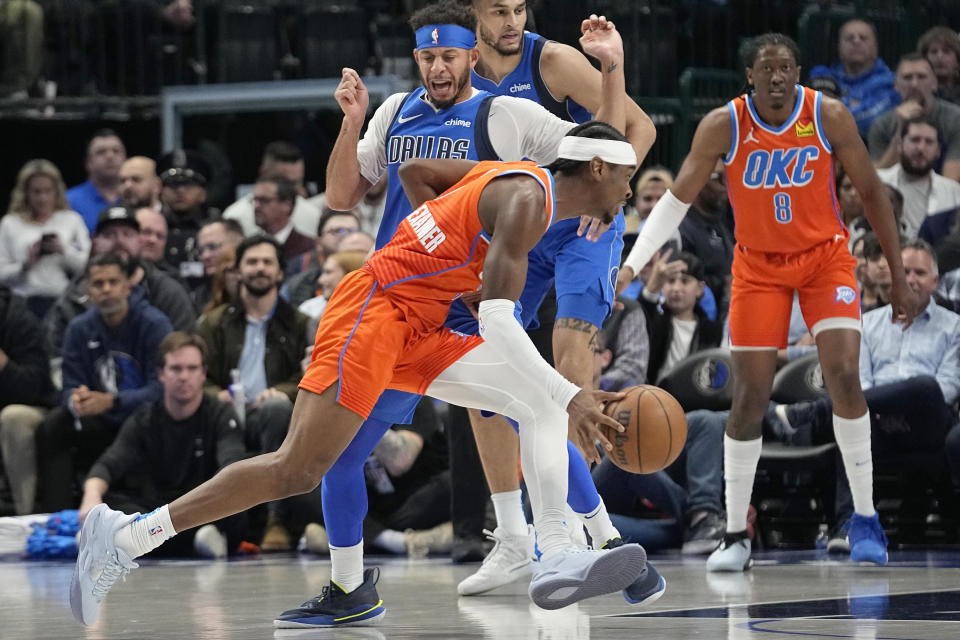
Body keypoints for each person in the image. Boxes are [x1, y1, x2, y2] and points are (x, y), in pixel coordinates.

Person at [70, 90, 648, 634]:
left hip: (423, 320)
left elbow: (417, 174)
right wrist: (573, 393)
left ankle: (557, 552)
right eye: (627, 176)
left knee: (536, 401)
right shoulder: (528, 200)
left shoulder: (520, 184)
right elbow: (499, 321)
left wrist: (446, 253)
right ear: (597, 168)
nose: (629, 189)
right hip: (374, 310)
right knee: (295, 468)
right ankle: (125, 537)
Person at [324, 0, 658, 596]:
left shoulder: (507, 112)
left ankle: (589, 543)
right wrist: (352, 123)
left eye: (448, 55)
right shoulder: (396, 112)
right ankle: (361, 588)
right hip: (398, 306)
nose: (437, 67)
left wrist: (609, 70)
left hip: (466, 301)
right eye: (426, 56)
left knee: (531, 406)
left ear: (470, 56)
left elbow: (597, 147)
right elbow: (344, 195)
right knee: (344, 454)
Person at [619, 33, 918, 571]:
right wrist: (633, 264)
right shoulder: (723, 124)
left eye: (786, 68)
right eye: (767, 69)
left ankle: (867, 518)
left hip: (825, 259)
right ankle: (735, 534)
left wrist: (897, 274)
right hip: (758, 266)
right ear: (750, 77)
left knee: (844, 375)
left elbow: (872, 192)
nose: (777, 77)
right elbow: (676, 199)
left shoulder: (827, 116)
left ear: (798, 72)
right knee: (750, 395)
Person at [775, 240, 960, 549]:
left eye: (920, 272)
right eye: (905, 271)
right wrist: (884, 407)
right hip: (877, 418)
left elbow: (947, 388)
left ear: (934, 281)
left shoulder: (954, 326)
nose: (911, 279)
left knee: (925, 386)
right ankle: (849, 526)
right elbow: (861, 382)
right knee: (853, 428)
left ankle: (816, 411)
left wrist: (899, 401)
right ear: (893, 277)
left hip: (929, 425)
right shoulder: (868, 323)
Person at [77, 332, 247, 559]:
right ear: (161, 374)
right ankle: (194, 543)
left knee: (239, 501)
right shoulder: (145, 418)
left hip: (204, 505)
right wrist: (91, 498)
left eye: (192, 368)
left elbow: (232, 466)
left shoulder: (220, 414)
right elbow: (109, 463)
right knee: (112, 505)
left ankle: (126, 541)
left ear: (203, 374)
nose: (184, 376)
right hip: (158, 512)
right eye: (176, 369)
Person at [195, 235, 314, 551]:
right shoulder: (213, 322)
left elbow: (311, 371)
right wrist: (215, 394)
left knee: (276, 410)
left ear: (279, 272)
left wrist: (281, 391)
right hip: (226, 410)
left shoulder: (300, 323)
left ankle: (276, 521)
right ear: (238, 270)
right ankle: (226, 527)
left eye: (267, 262)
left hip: (275, 413)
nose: (259, 268)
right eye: (251, 262)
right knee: (221, 422)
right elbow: (197, 373)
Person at [37, 252, 173, 512]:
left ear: (127, 286)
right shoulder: (79, 328)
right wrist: (75, 400)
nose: (106, 289)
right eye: (98, 284)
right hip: (98, 422)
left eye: (113, 282)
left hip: (143, 421)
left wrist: (112, 401)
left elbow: (163, 389)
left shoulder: (154, 324)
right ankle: (58, 516)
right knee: (54, 425)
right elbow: (67, 386)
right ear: (88, 289)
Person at [42, 206, 196, 357]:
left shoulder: (166, 292)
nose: (119, 241)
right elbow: (56, 357)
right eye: (109, 235)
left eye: (127, 234)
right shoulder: (74, 295)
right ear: (94, 242)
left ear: (139, 241)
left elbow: (184, 356)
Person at [0, 159, 90, 318]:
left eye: (48, 191)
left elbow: (89, 267)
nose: (43, 198)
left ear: (57, 191)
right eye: (36, 191)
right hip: (23, 304)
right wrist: (26, 264)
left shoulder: (72, 219)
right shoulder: (10, 223)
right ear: (25, 193)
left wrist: (64, 251)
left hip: (63, 301)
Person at [0, 283, 54, 516]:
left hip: (35, 407)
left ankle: (26, 515)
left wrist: (4, 365)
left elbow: (34, 387)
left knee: (13, 418)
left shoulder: (20, 322)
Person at [868, 53, 960, 182]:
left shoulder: (955, 118)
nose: (914, 84)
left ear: (934, 83)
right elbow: (878, 180)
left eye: (921, 77)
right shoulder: (881, 125)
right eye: (907, 78)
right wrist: (901, 129)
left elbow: (951, 182)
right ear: (896, 85)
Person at [639, 251, 722, 384]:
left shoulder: (713, 330)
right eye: (670, 281)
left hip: (697, 400)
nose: (676, 288)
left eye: (685, 281)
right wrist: (652, 287)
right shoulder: (655, 322)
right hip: (656, 395)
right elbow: (641, 317)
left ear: (700, 288)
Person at [808, 19, 899, 136]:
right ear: (839, 46)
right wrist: (856, 105)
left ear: (875, 46)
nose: (856, 41)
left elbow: (869, 123)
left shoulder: (889, 82)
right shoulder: (823, 76)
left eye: (863, 38)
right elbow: (810, 118)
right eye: (849, 38)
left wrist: (839, 103)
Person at [875, 116, 960, 241]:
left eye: (929, 142)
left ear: (938, 151)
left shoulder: (954, 191)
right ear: (899, 145)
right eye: (915, 140)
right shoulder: (878, 182)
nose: (921, 148)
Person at [222, 141, 321, 237]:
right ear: (264, 172)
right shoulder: (236, 217)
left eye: (296, 182)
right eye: (283, 181)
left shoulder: (313, 216)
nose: (289, 189)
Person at [157, 149, 219, 282]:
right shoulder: (152, 228)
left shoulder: (216, 227)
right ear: (161, 192)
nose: (180, 191)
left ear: (203, 193)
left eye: (188, 185)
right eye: (173, 185)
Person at [67, 129, 126, 232]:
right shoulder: (69, 201)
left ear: (125, 158)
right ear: (88, 162)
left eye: (116, 151)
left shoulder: (136, 197)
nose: (110, 156)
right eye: (101, 152)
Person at [252, 175, 315, 270]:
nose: (256, 206)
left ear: (287, 205)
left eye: (264, 200)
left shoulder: (309, 248)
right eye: (254, 200)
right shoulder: (250, 246)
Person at [298, 250, 367, 320]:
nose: (320, 280)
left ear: (350, 274)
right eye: (323, 272)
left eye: (328, 272)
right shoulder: (310, 308)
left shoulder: (367, 313)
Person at [191, 219, 244, 312]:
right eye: (201, 251)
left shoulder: (254, 288)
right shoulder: (200, 296)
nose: (205, 256)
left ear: (238, 245)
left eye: (213, 247)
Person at [918, 26, 960, 106]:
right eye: (934, 52)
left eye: (946, 51)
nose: (939, 56)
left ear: (957, 61)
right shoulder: (914, 91)